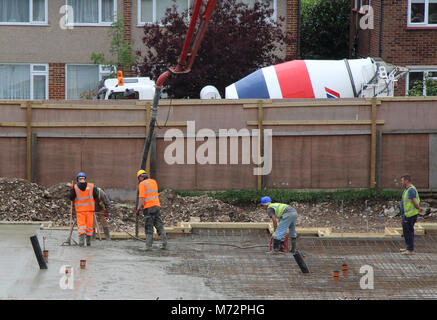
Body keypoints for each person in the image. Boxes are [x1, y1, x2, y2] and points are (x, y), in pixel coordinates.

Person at [136, 170, 168, 251]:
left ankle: (148, 246)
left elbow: (142, 197)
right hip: (157, 206)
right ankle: (164, 244)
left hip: (148, 208)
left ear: (141, 177)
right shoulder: (153, 182)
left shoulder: (142, 184)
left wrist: (138, 208)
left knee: (149, 227)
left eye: (139, 178)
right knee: (159, 225)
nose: (139, 180)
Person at [69, 172, 99, 247]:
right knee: (89, 228)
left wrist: (71, 191)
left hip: (80, 211)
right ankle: (88, 244)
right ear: (85, 179)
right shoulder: (92, 186)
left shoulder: (74, 187)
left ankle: (81, 244)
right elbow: (96, 196)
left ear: (77, 179)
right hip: (90, 210)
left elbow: (71, 198)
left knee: (81, 227)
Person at [399, 174, 422, 255]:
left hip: (409, 215)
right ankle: (408, 247)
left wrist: (419, 208)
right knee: (406, 232)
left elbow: (414, 201)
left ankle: (410, 249)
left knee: (408, 232)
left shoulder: (411, 190)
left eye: (402, 180)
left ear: (406, 181)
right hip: (406, 214)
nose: (401, 182)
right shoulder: (407, 189)